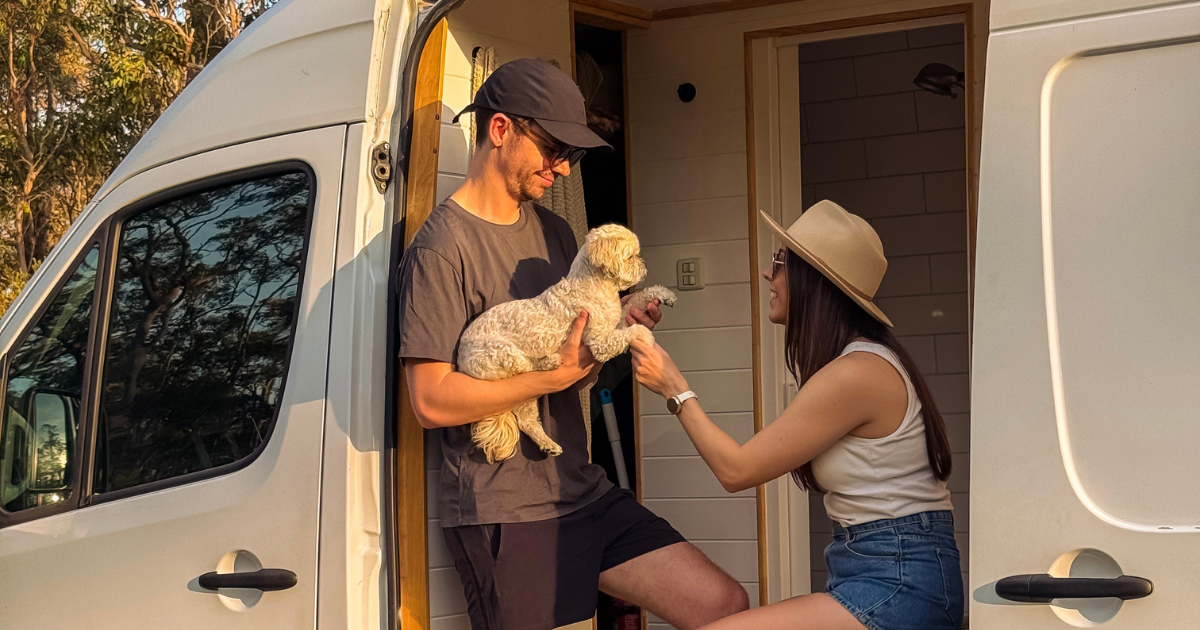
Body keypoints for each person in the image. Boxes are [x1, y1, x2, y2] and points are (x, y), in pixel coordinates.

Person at [396, 58, 748, 630]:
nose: (563, 169)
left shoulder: (555, 233)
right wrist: (551, 378)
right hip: (506, 510)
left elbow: (576, 365)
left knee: (722, 606)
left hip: (580, 488)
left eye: (574, 156)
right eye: (556, 148)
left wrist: (615, 329)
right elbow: (430, 400)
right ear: (501, 128)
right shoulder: (441, 249)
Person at [630, 200, 964, 630]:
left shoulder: (858, 372)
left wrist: (674, 388)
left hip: (900, 581)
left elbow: (736, 470)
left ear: (813, 280)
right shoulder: (858, 364)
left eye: (780, 261)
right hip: (879, 568)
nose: (770, 274)